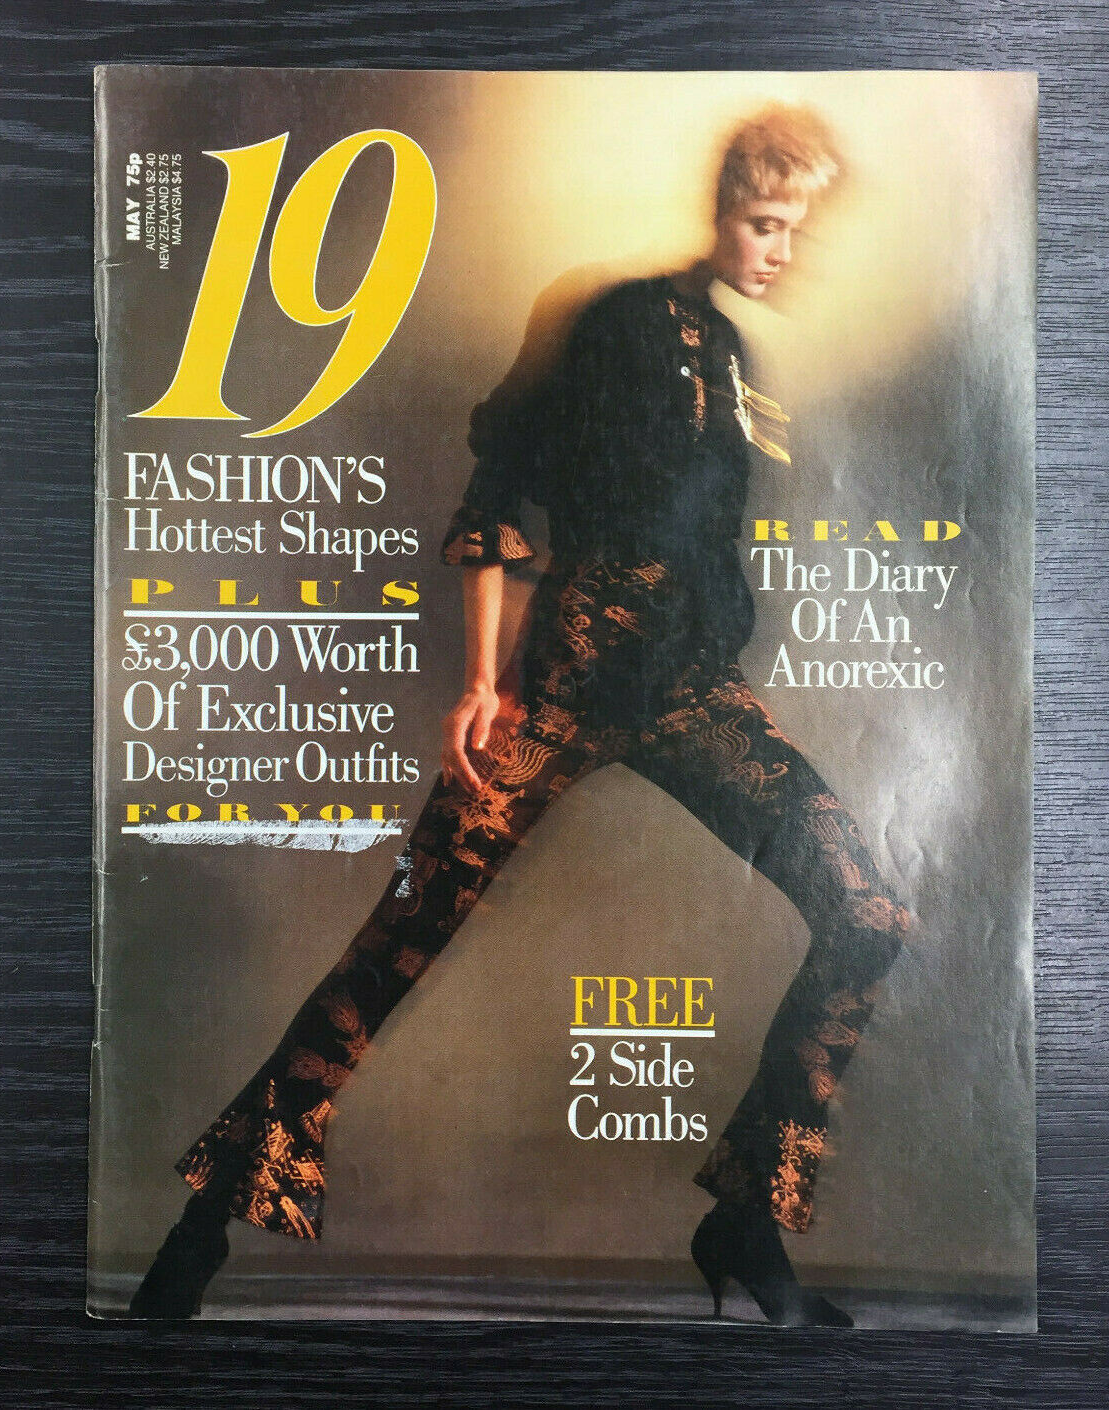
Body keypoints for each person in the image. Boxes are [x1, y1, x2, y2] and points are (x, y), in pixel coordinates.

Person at [129, 104, 912, 1324]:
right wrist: (481, 682)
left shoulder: (729, 355)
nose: (779, 250)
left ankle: (744, 1220)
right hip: (562, 682)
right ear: (722, 208)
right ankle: (199, 1233)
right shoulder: (604, 319)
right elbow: (501, 481)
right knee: (396, 944)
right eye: (765, 223)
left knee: (867, 913)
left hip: (692, 693)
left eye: (795, 231)